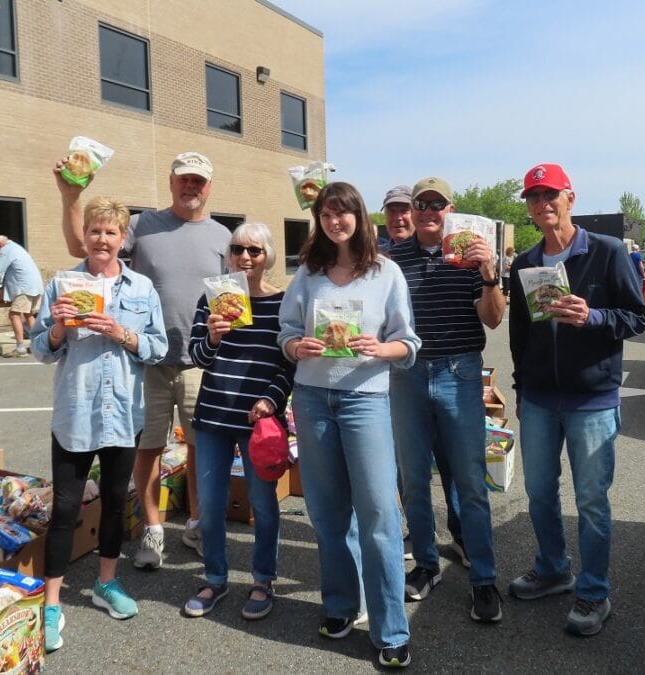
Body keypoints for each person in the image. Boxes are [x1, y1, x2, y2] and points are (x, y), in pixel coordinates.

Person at [55, 151, 231, 566]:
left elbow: (233, 294)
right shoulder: (141, 225)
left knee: (201, 449)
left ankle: (197, 525)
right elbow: (85, 245)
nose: (191, 187)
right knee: (147, 449)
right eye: (184, 180)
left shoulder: (223, 236)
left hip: (200, 361)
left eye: (199, 181)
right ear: (171, 182)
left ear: (209, 187)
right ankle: (153, 530)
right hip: (142, 361)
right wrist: (71, 197)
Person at [278, 182, 419, 668]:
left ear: (360, 217)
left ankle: (392, 629)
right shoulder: (309, 273)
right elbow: (287, 334)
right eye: (327, 214)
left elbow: (407, 342)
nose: (336, 221)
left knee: (379, 514)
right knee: (328, 512)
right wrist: (298, 348)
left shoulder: (386, 272)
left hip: (365, 400)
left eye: (344, 213)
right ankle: (341, 605)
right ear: (319, 219)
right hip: (313, 398)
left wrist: (382, 349)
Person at [507, 163, 645, 636]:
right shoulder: (525, 262)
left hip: (592, 398)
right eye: (533, 197)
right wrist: (522, 389)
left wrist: (593, 317)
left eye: (550, 195)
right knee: (540, 493)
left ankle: (593, 592)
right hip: (541, 399)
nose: (541, 204)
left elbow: (637, 317)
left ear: (571, 198)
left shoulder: (606, 253)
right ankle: (553, 569)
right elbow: (520, 333)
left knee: (591, 500)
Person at [30, 196, 168, 653]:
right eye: (95, 231)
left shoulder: (141, 288)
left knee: (113, 502)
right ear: (84, 236)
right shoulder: (63, 284)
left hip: (123, 412)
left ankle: (107, 583)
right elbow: (40, 349)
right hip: (75, 411)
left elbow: (157, 347)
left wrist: (119, 332)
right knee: (66, 508)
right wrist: (56, 329)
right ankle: (52, 602)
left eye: (111, 232)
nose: (102, 239)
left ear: (123, 238)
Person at [388, 176, 505, 624]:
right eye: (421, 203)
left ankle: (483, 578)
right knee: (414, 480)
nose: (428, 211)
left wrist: (489, 273)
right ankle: (426, 565)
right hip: (407, 374)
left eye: (437, 204)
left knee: (471, 482)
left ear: (449, 209)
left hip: (459, 370)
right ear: (412, 210)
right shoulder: (392, 260)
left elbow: (493, 321)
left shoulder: (472, 254)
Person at [183, 222, 294, 620]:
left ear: (267, 257)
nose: (245, 257)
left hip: (258, 422)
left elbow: (288, 366)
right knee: (211, 507)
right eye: (237, 249)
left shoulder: (283, 304)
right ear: (228, 255)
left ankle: (263, 579)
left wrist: (271, 399)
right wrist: (212, 338)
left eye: (255, 251)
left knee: (263, 505)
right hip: (213, 416)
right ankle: (215, 578)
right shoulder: (212, 299)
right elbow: (196, 356)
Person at [0, 235, 44, 357]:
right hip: (36, 286)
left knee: (14, 314)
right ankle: (38, 345)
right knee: (29, 315)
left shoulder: (5, 250)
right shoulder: (17, 247)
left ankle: (20, 347)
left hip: (23, 288)